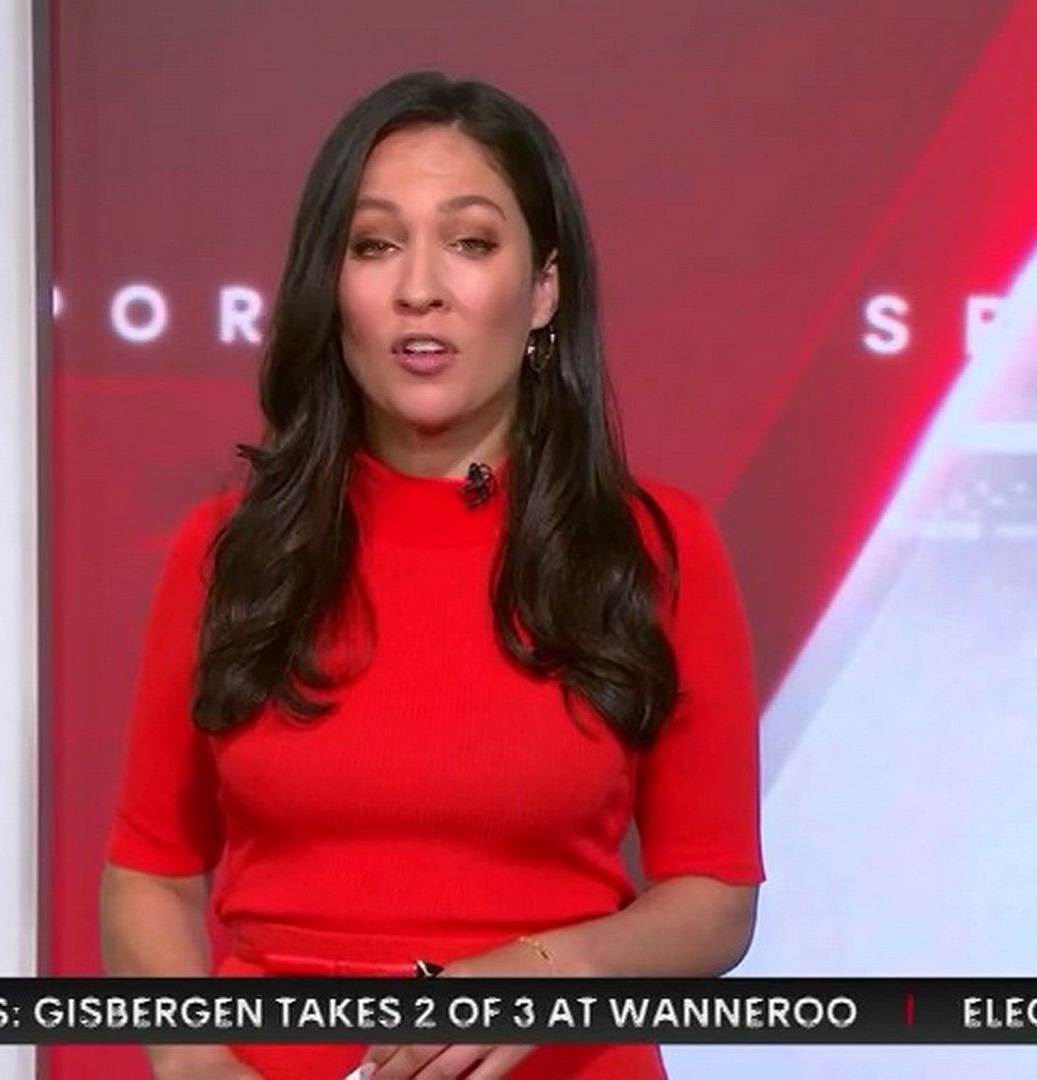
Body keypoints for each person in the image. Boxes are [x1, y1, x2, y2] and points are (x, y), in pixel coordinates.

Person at [100, 70, 765, 1079]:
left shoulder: (653, 547)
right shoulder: (229, 549)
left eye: (470, 243)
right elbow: (148, 873)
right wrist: (193, 1062)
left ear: (544, 289)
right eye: (374, 245)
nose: (420, 287)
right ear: (332, 287)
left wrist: (552, 972)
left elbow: (714, 899)